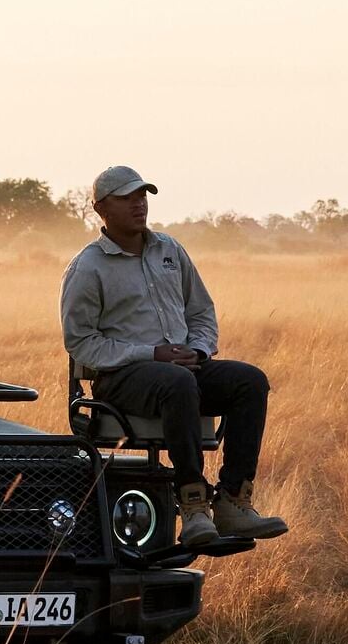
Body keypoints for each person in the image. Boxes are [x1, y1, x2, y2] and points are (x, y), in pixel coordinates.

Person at [60, 165, 288, 547]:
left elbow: (201, 311)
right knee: (177, 381)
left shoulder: (170, 250)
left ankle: (233, 502)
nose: (139, 204)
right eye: (128, 198)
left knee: (250, 380)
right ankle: (194, 505)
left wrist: (198, 349)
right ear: (101, 209)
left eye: (142, 196)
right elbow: (81, 343)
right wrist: (152, 353)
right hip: (123, 377)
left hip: (180, 370)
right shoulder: (88, 266)